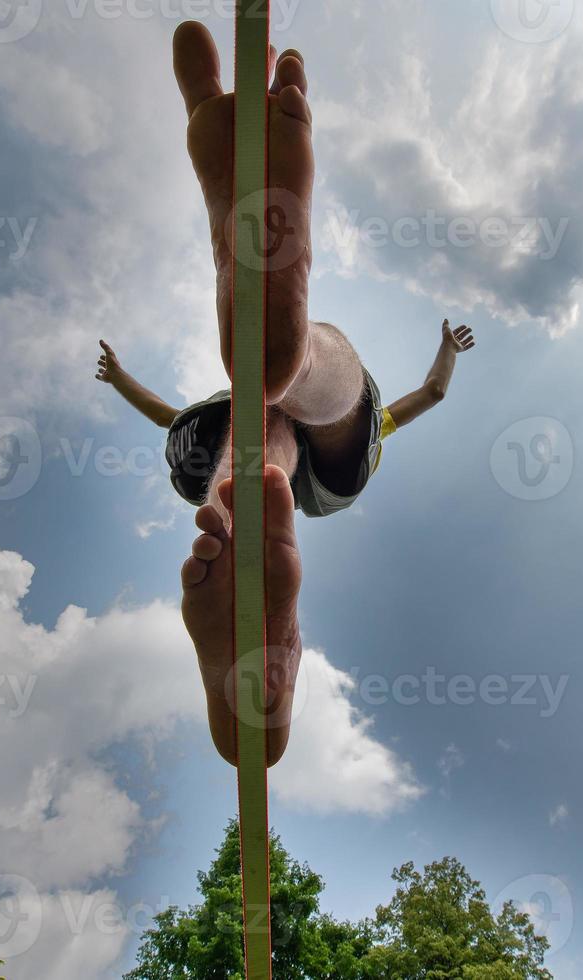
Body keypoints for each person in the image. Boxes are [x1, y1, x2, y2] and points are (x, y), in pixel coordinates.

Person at [95, 22, 476, 767]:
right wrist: (446, 356)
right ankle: (290, 366)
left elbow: (165, 417)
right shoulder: (357, 433)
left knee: (262, 436)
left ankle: (265, 421)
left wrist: (120, 383)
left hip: (224, 433)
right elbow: (429, 396)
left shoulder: (215, 415)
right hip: (303, 455)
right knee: (326, 403)